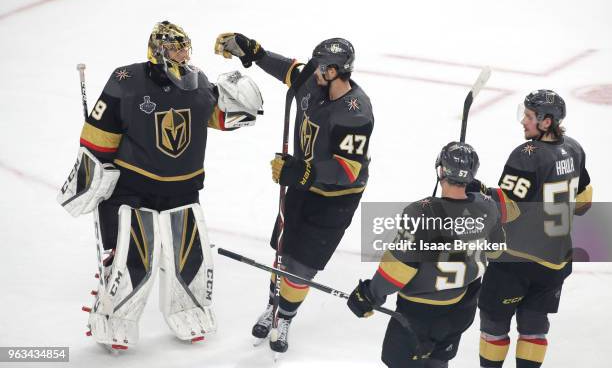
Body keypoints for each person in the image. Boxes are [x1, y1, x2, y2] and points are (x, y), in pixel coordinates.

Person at [57, 21, 263, 350]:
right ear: (158, 49)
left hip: (184, 187)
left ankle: (190, 308)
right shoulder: (126, 79)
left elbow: (214, 116)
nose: (183, 53)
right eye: (175, 47)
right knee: (134, 256)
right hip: (135, 186)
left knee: (190, 256)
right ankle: (113, 318)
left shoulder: (196, 81)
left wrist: (242, 109)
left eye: (185, 47)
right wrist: (94, 173)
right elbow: (97, 134)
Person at [214, 33, 374, 353]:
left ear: (337, 72)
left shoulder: (356, 112)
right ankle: (274, 306)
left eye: (322, 69)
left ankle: (285, 315)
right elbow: (289, 70)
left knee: (302, 265)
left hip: (335, 198)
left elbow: (348, 170)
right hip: (302, 182)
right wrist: (255, 53)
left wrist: (303, 172)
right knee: (283, 254)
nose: (314, 73)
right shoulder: (315, 81)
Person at [347, 142, 514, 368]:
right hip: (460, 311)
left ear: (441, 170)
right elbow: (495, 250)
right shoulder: (487, 206)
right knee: (438, 361)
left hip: (418, 316)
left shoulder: (421, 212)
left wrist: (370, 295)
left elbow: (397, 271)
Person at [473, 90, 593, 367]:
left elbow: (506, 209)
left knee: (494, 324)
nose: (523, 121)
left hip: (516, 259)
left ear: (546, 121)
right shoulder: (574, 149)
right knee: (534, 327)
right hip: (555, 261)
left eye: (529, 116)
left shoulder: (527, 155)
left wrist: (478, 191)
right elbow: (584, 201)